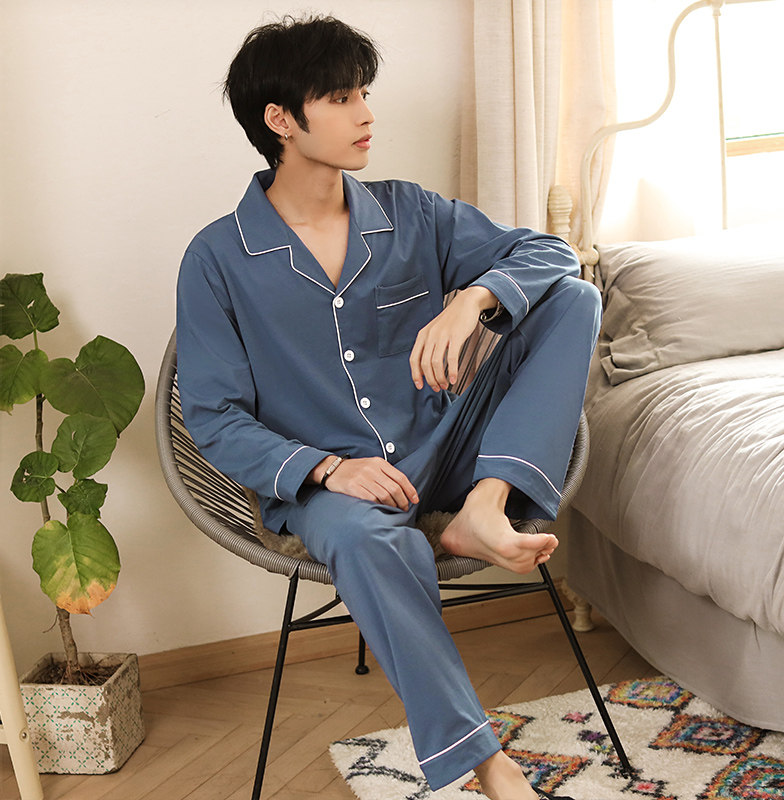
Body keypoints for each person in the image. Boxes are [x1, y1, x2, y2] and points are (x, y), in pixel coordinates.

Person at [176, 15, 600, 800]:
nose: (366, 114)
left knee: (573, 299)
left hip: (447, 443)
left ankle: (484, 508)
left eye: (363, 93)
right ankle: (491, 766)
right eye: (340, 98)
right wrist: (327, 469)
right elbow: (213, 416)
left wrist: (473, 299)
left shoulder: (411, 214)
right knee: (368, 540)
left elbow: (552, 254)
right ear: (279, 119)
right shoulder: (217, 259)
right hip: (332, 488)